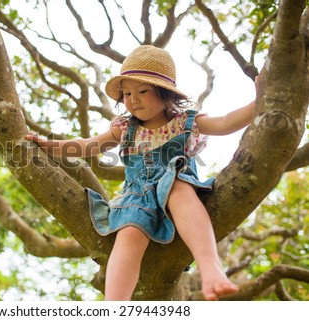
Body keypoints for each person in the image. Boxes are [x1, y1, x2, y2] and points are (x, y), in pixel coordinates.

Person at [26, 45, 255, 301]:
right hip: (138, 197)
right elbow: (87, 145)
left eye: (142, 91)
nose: (133, 99)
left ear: (166, 94)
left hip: (177, 190)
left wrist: (260, 101)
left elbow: (226, 123)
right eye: (126, 94)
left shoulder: (185, 122)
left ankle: (211, 269)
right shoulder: (124, 129)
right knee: (130, 230)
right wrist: (48, 146)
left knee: (177, 186)